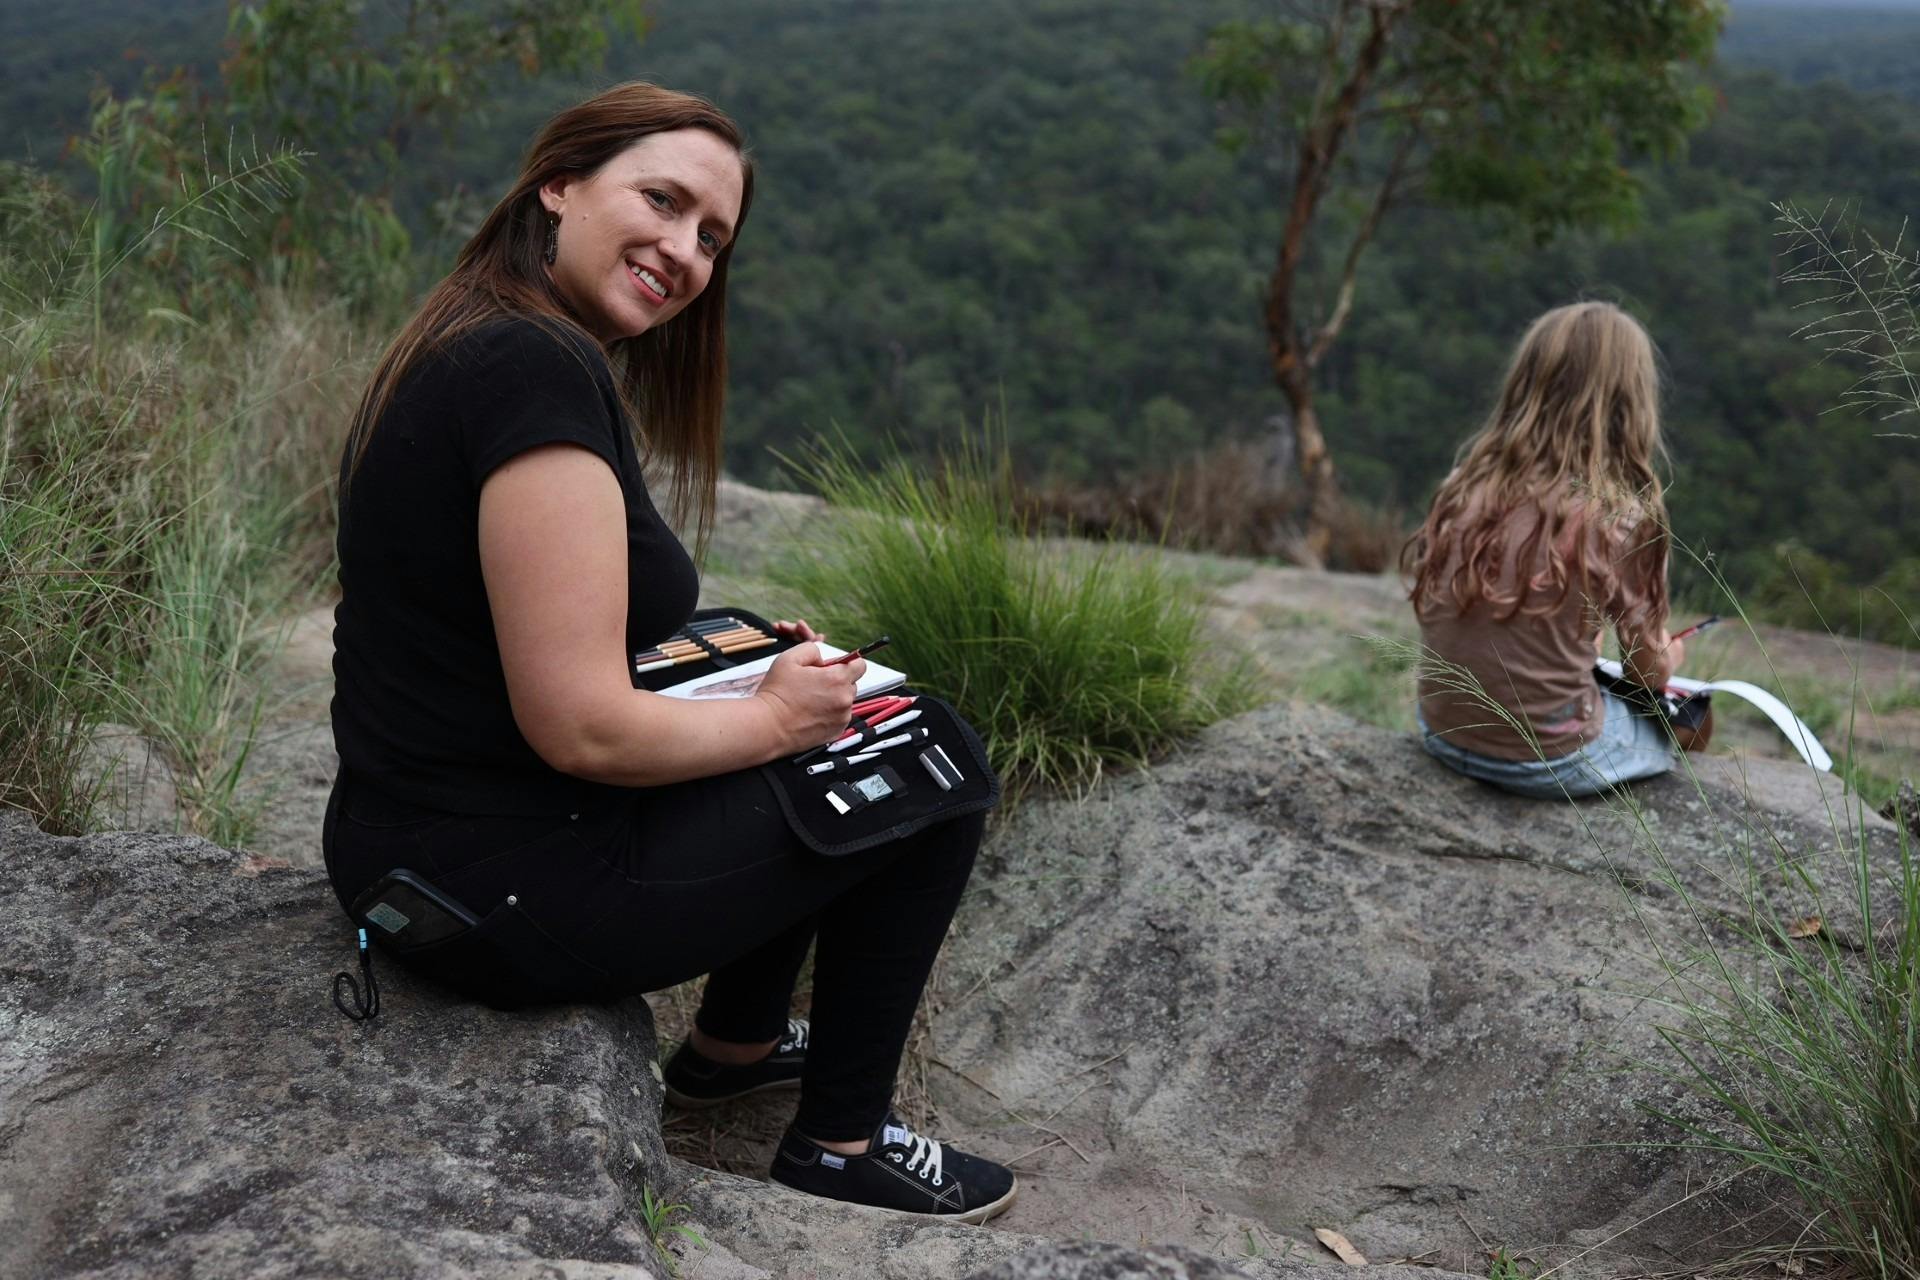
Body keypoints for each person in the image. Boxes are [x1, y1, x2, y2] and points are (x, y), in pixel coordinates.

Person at [320, 81, 1016, 1224]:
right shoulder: (531, 374)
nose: (685, 251)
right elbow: (582, 726)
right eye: (663, 200)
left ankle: (735, 1046)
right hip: (505, 892)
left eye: (712, 237)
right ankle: (841, 1143)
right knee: (930, 759)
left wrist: (745, 677)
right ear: (560, 183)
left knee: (759, 674)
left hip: (410, 843)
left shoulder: (473, 332)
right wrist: (776, 718)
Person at [1402, 301, 1687, 799]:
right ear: (1632, 402)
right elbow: (1645, 672)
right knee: (1684, 726)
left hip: (1441, 736)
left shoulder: (1462, 486)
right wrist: (1671, 655)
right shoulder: (1621, 516)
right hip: (1550, 760)